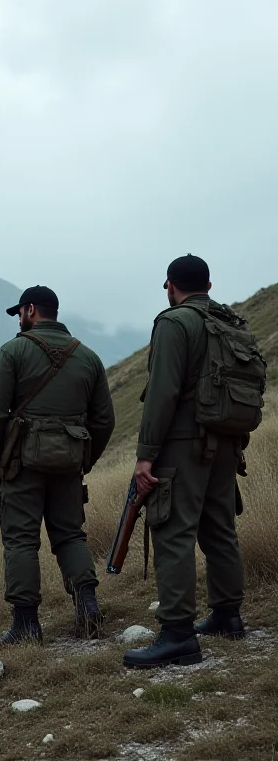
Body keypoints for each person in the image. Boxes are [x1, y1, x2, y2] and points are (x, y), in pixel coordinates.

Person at [123, 255, 264, 669]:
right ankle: (227, 615)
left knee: (173, 534)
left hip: (183, 445)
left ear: (170, 285)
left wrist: (146, 455)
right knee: (219, 528)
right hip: (226, 442)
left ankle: (178, 635)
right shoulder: (231, 323)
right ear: (209, 284)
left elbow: (163, 392)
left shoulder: (174, 322)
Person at [0, 286, 116, 646]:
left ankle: (26, 625)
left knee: (22, 541)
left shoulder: (12, 351)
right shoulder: (88, 357)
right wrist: (83, 459)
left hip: (21, 464)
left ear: (30, 310)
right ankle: (88, 609)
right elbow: (104, 420)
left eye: (19, 313)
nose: (18, 320)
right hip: (69, 464)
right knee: (70, 535)